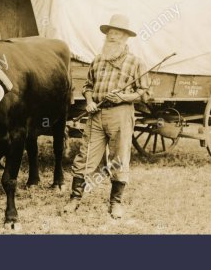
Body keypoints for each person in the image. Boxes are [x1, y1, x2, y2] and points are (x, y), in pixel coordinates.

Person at [64, 14, 150, 219]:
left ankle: (116, 203)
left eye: (117, 34)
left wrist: (122, 97)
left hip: (120, 115)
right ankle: (74, 199)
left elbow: (144, 92)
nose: (112, 37)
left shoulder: (136, 63)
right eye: (110, 33)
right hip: (96, 115)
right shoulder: (98, 60)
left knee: (118, 157)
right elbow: (88, 86)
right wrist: (90, 101)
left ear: (125, 38)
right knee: (85, 155)